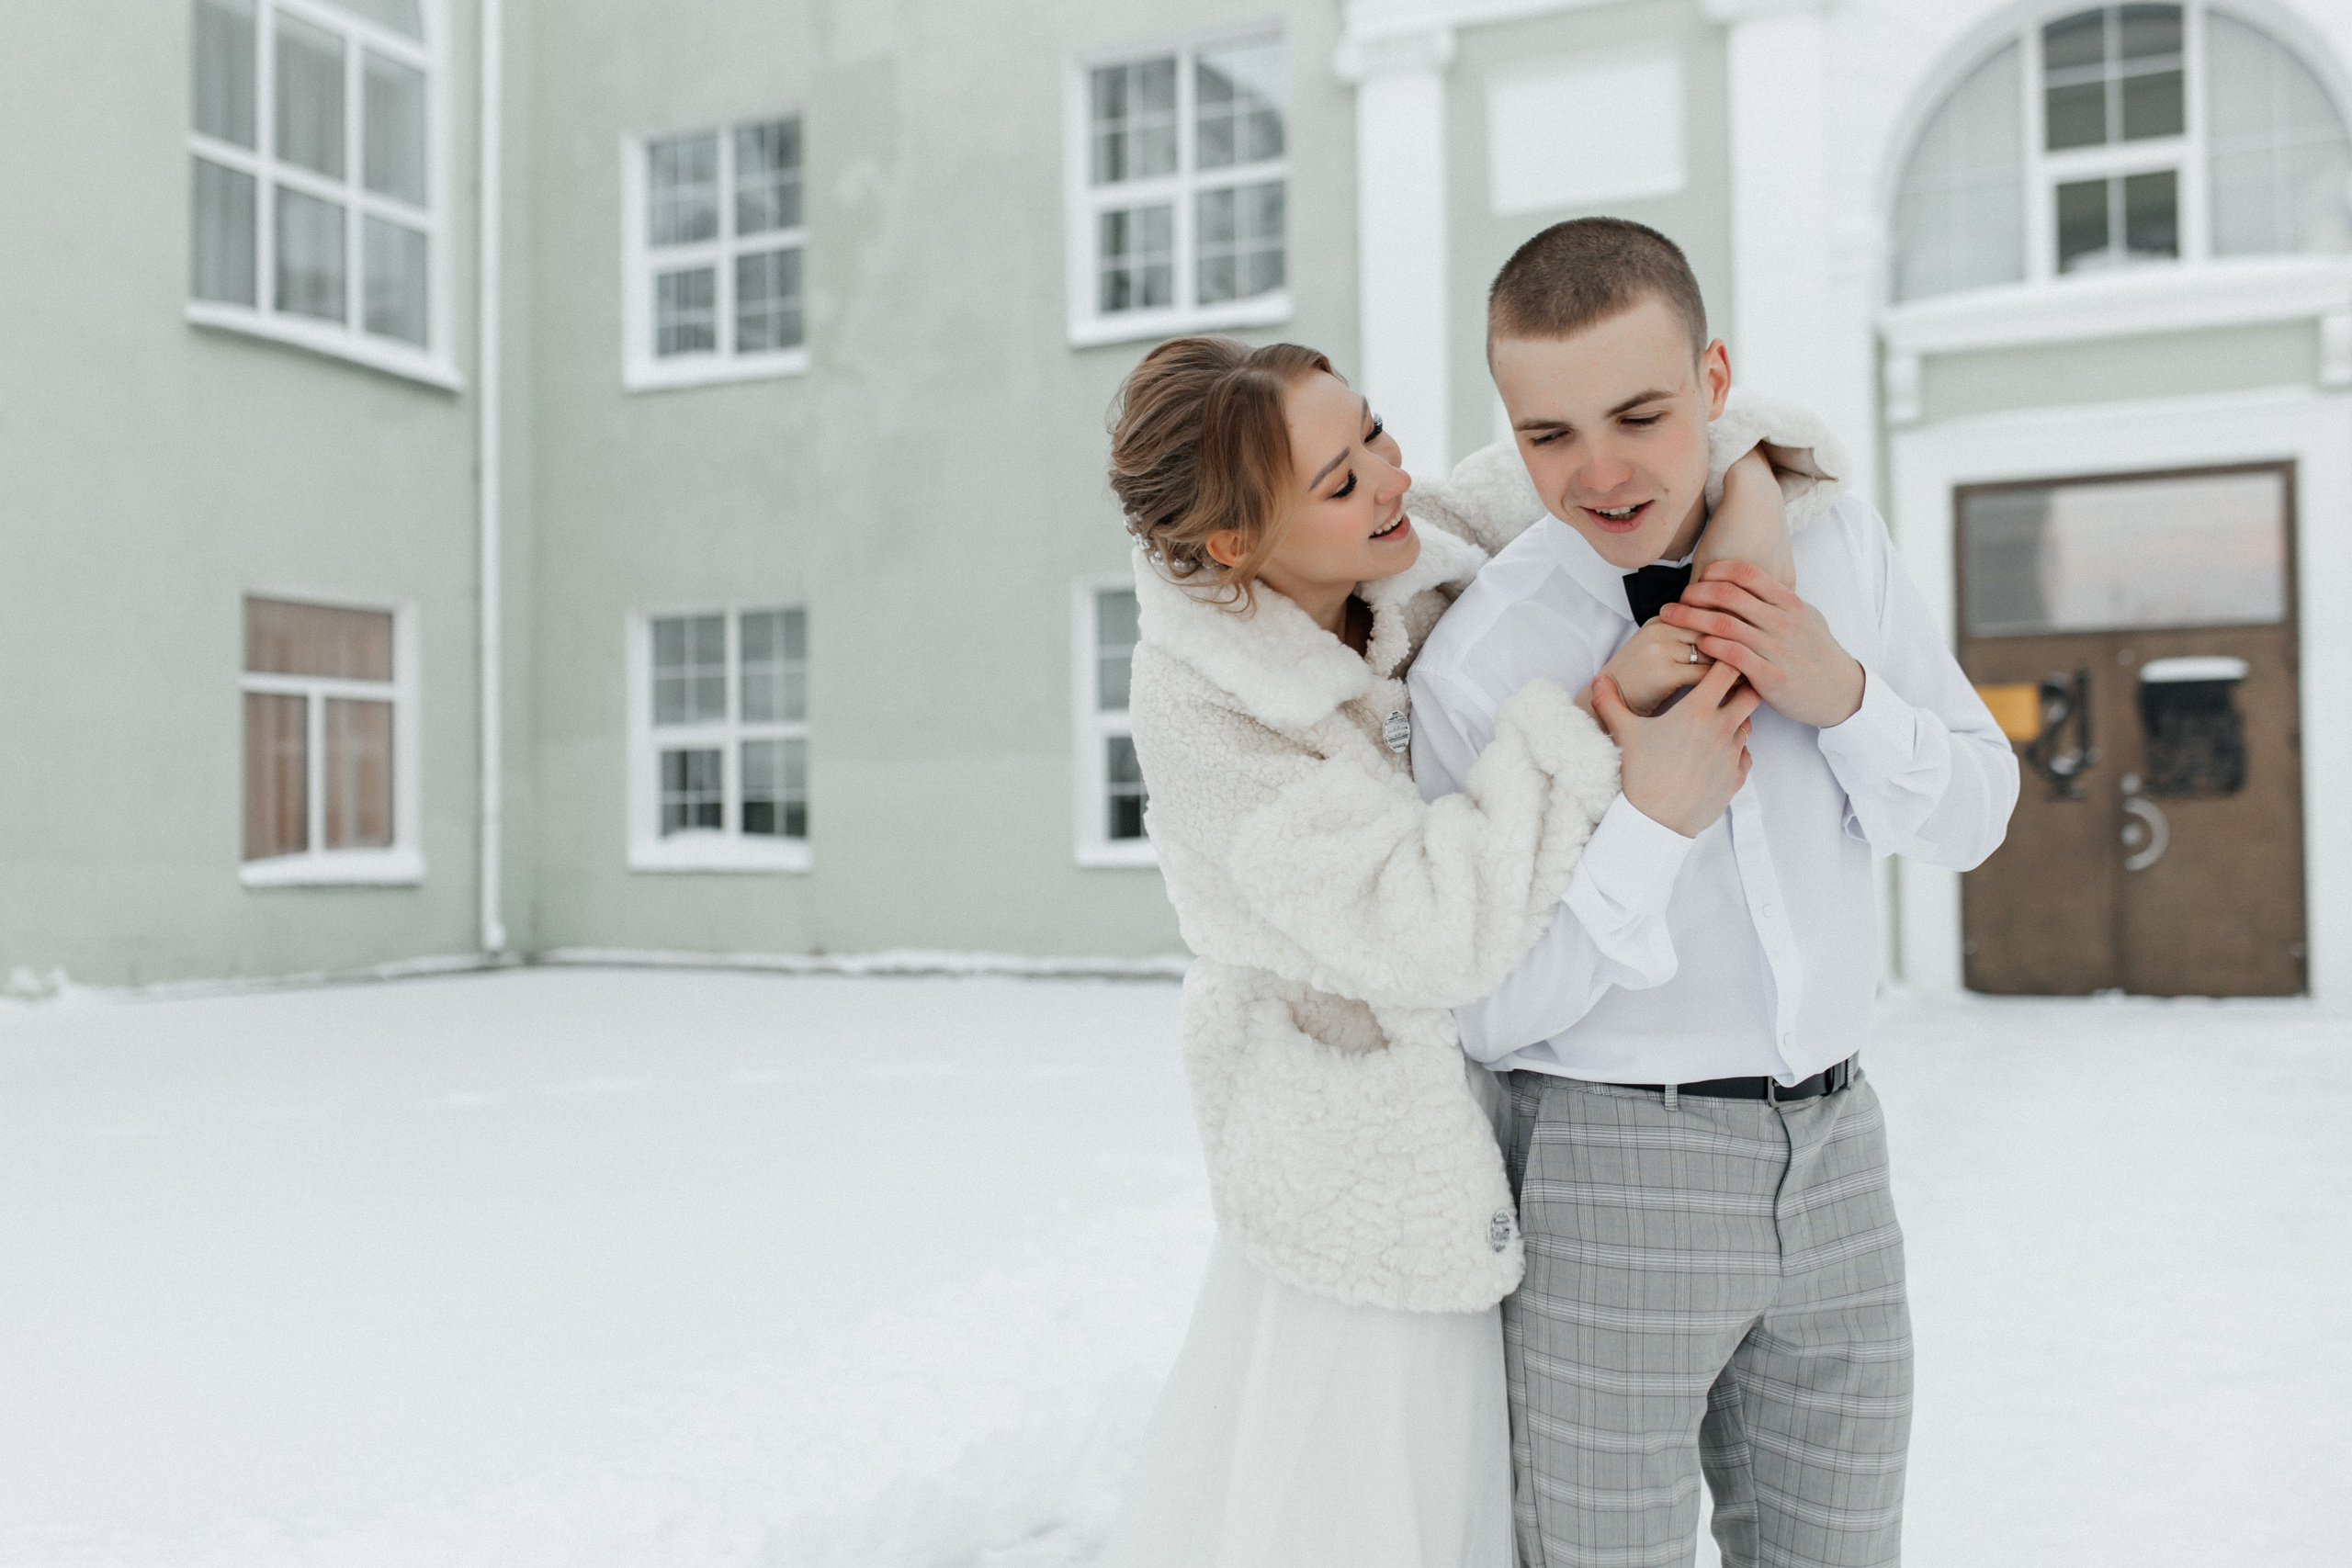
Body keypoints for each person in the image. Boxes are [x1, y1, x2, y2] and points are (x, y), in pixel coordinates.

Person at [1092, 334, 1795, 1567]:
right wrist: (1594, 726)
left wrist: (1755, 479)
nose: (1387, 473)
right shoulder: (1206, 713)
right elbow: (1423, 929)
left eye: (1370, 428)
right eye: (1340, 476)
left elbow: (1589, 455)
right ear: (1233, 548)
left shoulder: (1399, 538)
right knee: (1381, 1517)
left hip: (1491, 1137)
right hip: (1365, 1198)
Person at [1408, 218, 2020, 1566]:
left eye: (1640, 413)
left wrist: (1843, 696)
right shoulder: (1480, 661)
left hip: (1841, 1156)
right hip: (1607, 1171)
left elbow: (1978, 815)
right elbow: (1487, 1011)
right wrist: (1650, 818)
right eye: (1549, 434)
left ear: (1717, 378)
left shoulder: (1837, 550)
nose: (1601, 471)